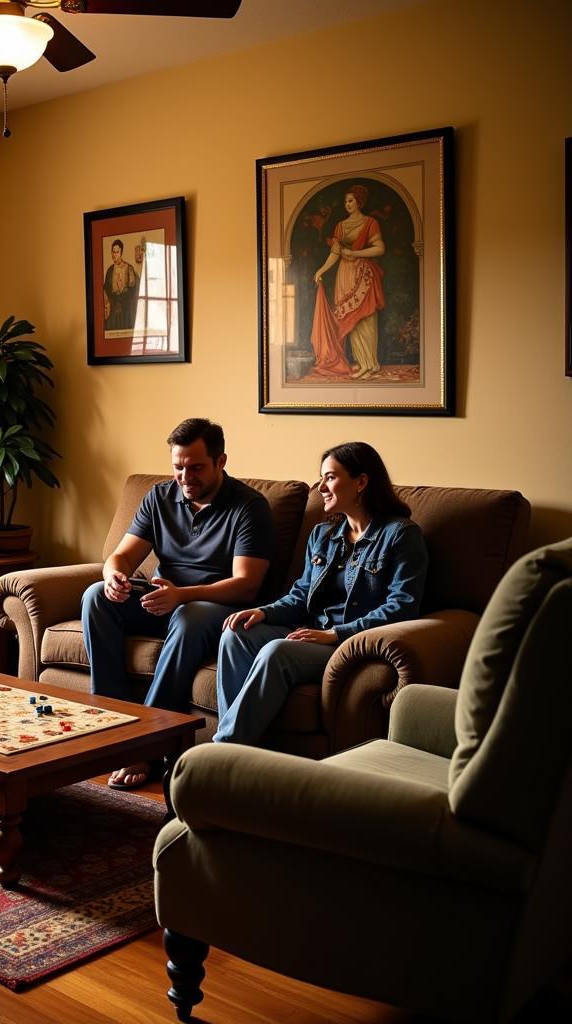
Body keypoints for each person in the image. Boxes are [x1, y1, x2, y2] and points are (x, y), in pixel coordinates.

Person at [81, 417, 275, 789]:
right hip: (165, 598)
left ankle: (149, 745)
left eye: (196, 467)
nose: (186, 477)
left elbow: (246, 586)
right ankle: (112, 728)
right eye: (178, 467)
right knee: (95, 597)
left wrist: (180, 595)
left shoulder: (249, 507)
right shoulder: (158, 497)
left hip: (215, 606)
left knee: (187, 616)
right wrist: (114, 577)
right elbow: (120, 557)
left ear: (221, 462)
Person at [213, 441, 428, 745]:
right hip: (311, 633)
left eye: (330, 477)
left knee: (277, 652)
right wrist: (264, 612)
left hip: (348, 645)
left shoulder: (401, 535)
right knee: (236, 634)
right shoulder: (323, 535)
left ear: (361, 482)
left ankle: (222, 752)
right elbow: (301, 594)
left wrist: (336, 634)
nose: (321, 487)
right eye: (322, 477)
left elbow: (402, 607)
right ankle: (241, 745)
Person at [311, 185, 386, 380]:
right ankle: (362, 364)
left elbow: (379, 248)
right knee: (351, 320)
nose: (347, 204)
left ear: (360, 201)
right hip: (345, 275)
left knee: (366, 319)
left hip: (363, 276)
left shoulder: (370, 223)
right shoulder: (341, 226)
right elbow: (335, 253)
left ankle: (372, 364)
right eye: (345, 201)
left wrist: (355, 253)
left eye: (351, 200)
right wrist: (321, 270)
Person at [102, 239, 140, 332]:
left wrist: (121, 298)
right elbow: (106, 288)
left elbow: (132, 290)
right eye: (113, 252)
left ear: (121, 253)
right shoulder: (110, 270)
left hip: (126, 307)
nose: (114, 255)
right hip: (113, 307)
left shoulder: (129, 268)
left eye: (117, 252)